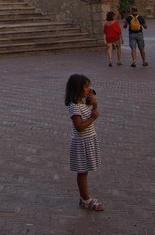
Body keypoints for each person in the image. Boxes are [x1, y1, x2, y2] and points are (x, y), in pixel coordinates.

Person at [65, 73, 103, 211]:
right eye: (86, 87)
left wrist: (94, 105)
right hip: (81, 142)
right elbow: (79, 126)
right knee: (82, 171)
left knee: (85, 171)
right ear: (77, 89)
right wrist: (93, 118)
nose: (89, 89)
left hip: (88, 139)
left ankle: (84, 198)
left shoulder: (81, 103)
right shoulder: (74, 106)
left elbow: (88, 115)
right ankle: (86, 199)